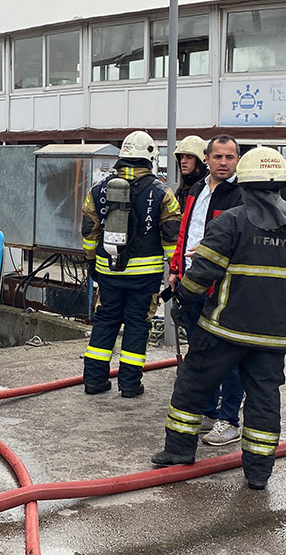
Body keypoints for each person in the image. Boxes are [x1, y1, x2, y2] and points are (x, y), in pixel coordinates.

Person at [151, 146, 286, 491]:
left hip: (224, 330)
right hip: (273, 337)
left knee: (193, 385)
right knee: (264, 400)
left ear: (242, 183)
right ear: (281, 186)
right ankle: (258, 473)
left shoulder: (230, 222)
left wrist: (182, 300)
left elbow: (201, 273)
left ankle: (178, 451)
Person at [80, 131, 181, 398]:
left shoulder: (98, 189)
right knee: (137, 325)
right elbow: (172, 239)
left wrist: (92, 263)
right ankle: (130, 384)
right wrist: (175, 272)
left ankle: (93, 381)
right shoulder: (162, 193)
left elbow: (89, 232)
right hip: (145, 277)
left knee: (105, 321)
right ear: (150, 158)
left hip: (108, 270)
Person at [168, 134, 246, 446]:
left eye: (229, 157)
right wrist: (176, 269)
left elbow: (239, 241)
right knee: (200, 352)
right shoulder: (196, 190)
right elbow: (184, 231)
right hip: (192, 283)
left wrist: (210, 250)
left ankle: (229, 419)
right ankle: (210, 412)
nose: (223, 162)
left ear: (237, 159)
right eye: (218, 157)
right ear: (207, 159)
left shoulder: (240, 195)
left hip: (222, 289)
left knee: (227, 357)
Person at [173, 135, 208, 209]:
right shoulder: (181, 189)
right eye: (181, 157)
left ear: (200, 161)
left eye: (189, 157)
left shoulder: (209, 188)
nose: (183, 161)